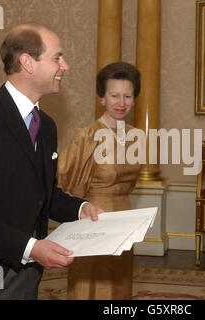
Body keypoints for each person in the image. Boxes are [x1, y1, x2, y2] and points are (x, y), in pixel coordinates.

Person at [0, 23, 103, 300]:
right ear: (28, 62)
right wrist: (30, 248)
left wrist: (82, 209)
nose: (65, 66)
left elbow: (44, 196)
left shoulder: (47, 126)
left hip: (27, 274)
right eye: (57, 57)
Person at [57, 61, 142, 300]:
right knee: (90, 285)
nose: (121, 103)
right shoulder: (86, 136)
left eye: (128, 95)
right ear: (102, 98)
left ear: (134, 99)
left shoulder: (138, 137)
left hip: (123, 220)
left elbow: (130, 185)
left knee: (119, 285)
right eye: (114, 95)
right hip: (93, 220)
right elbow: (65, 181)